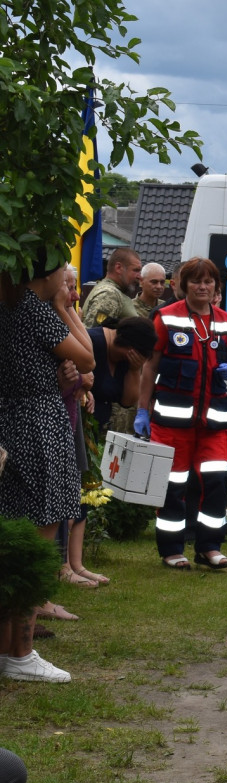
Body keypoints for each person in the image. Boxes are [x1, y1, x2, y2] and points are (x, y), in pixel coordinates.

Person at [0, 249, 95, 682]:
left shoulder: (6, 307)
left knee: (14, 533)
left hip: (12, 421)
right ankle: (21, 652)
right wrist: (63, 306)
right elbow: (88, 358)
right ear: (50, 273)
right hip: (41, 424)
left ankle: (10, 649)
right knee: (38, 538)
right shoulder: (35, 311)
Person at [135, 257, 227, 570]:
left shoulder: (225, 321)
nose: (202, 286)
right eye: (196, 281)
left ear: (216, 286)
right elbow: (149, 366)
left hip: (213, 423)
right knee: (173, 486)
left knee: (218, 482)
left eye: (208, 281)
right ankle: (172, 549)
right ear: (184, 286)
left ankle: (209, 547)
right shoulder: (166, 317)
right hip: (172, 424)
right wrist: (142, 411)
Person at [80, 247, 142, 326]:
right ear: (118, 268)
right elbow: (93, 334)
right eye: (136, 270)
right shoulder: (109, 294)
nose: (139, 276)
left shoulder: (113, 292)